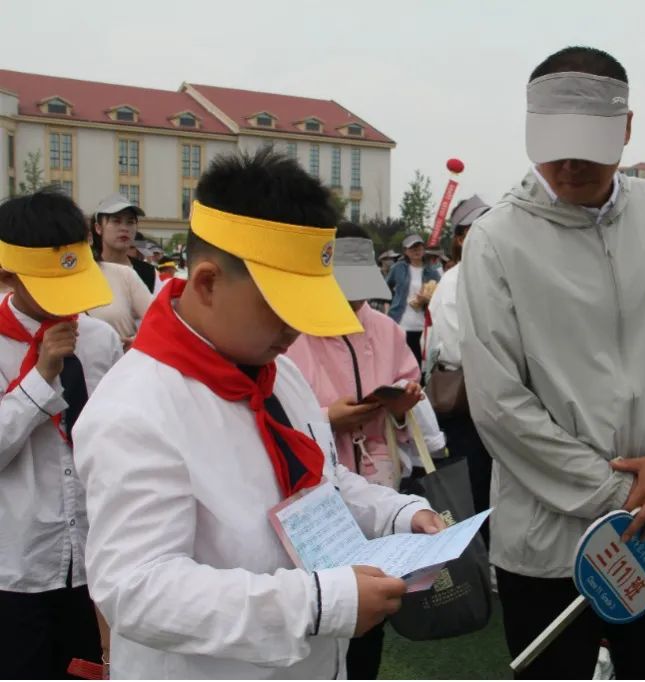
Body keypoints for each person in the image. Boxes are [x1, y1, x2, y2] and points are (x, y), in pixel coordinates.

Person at [73, 149, 445, 679]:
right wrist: (316, 603)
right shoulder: (135, 411)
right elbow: (138, 587)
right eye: (280, 305)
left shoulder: (275, 371)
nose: (296, 327)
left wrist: (396, 515)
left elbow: (320, 480)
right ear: (206, 283)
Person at [458, 46, 645, 679]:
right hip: (549, 545)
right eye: (553, 143)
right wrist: (621, 494)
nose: (569, 162)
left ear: (627, 128)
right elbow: (499, 405)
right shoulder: (497, 241)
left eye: (589, 142)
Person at [286, 223, 424, 680]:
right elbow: (280, 419)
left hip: (377, 478)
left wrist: (401, 409)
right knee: (323, 607)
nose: (353, 304)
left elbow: (407, 410)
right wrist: (328, 420)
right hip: (313, 500)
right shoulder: (293, 336)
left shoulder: (385, 329)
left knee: (373, 605)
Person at [0, 189, 122, 679]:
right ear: (8, 272)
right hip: (17, 566)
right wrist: (40, 378)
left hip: (95, 559)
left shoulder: (99, 339)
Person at [427, 195, 493, 526]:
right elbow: (455, 350)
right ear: (460, 237)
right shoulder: (453, 282)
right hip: (466, 399)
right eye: (475, 229)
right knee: (474, 484)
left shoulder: (494, 274)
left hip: (491, 395)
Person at [385, 234, 440, 364]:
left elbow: (440, 297)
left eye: (419, 247)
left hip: (423, 325)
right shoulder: (398, 268)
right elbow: (385, 288)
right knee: (400, 363)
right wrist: (388, 308)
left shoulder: (432, 272)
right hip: (400, 322)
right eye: (412, 248)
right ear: (405, 251)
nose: (416, 251)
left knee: (419, 363)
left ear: (423, 249)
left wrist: (427, 299)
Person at [91, 194, 159, 294]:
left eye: (130, 222)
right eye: (116, 221)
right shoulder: (88, 270)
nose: (124, 228)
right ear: (98, 228)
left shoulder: (148, 273)